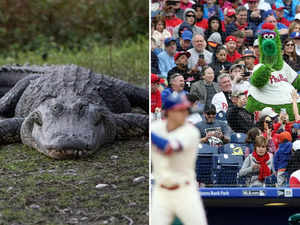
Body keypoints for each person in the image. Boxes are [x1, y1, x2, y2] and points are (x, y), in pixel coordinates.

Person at [151, 93, 208, 225]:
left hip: (185, 191)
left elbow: (169, 148)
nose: (185, 113)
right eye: (180, 110)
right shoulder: (156, 128)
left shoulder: (191, 132)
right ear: (169, 112)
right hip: (161, 192)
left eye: (186, 110)